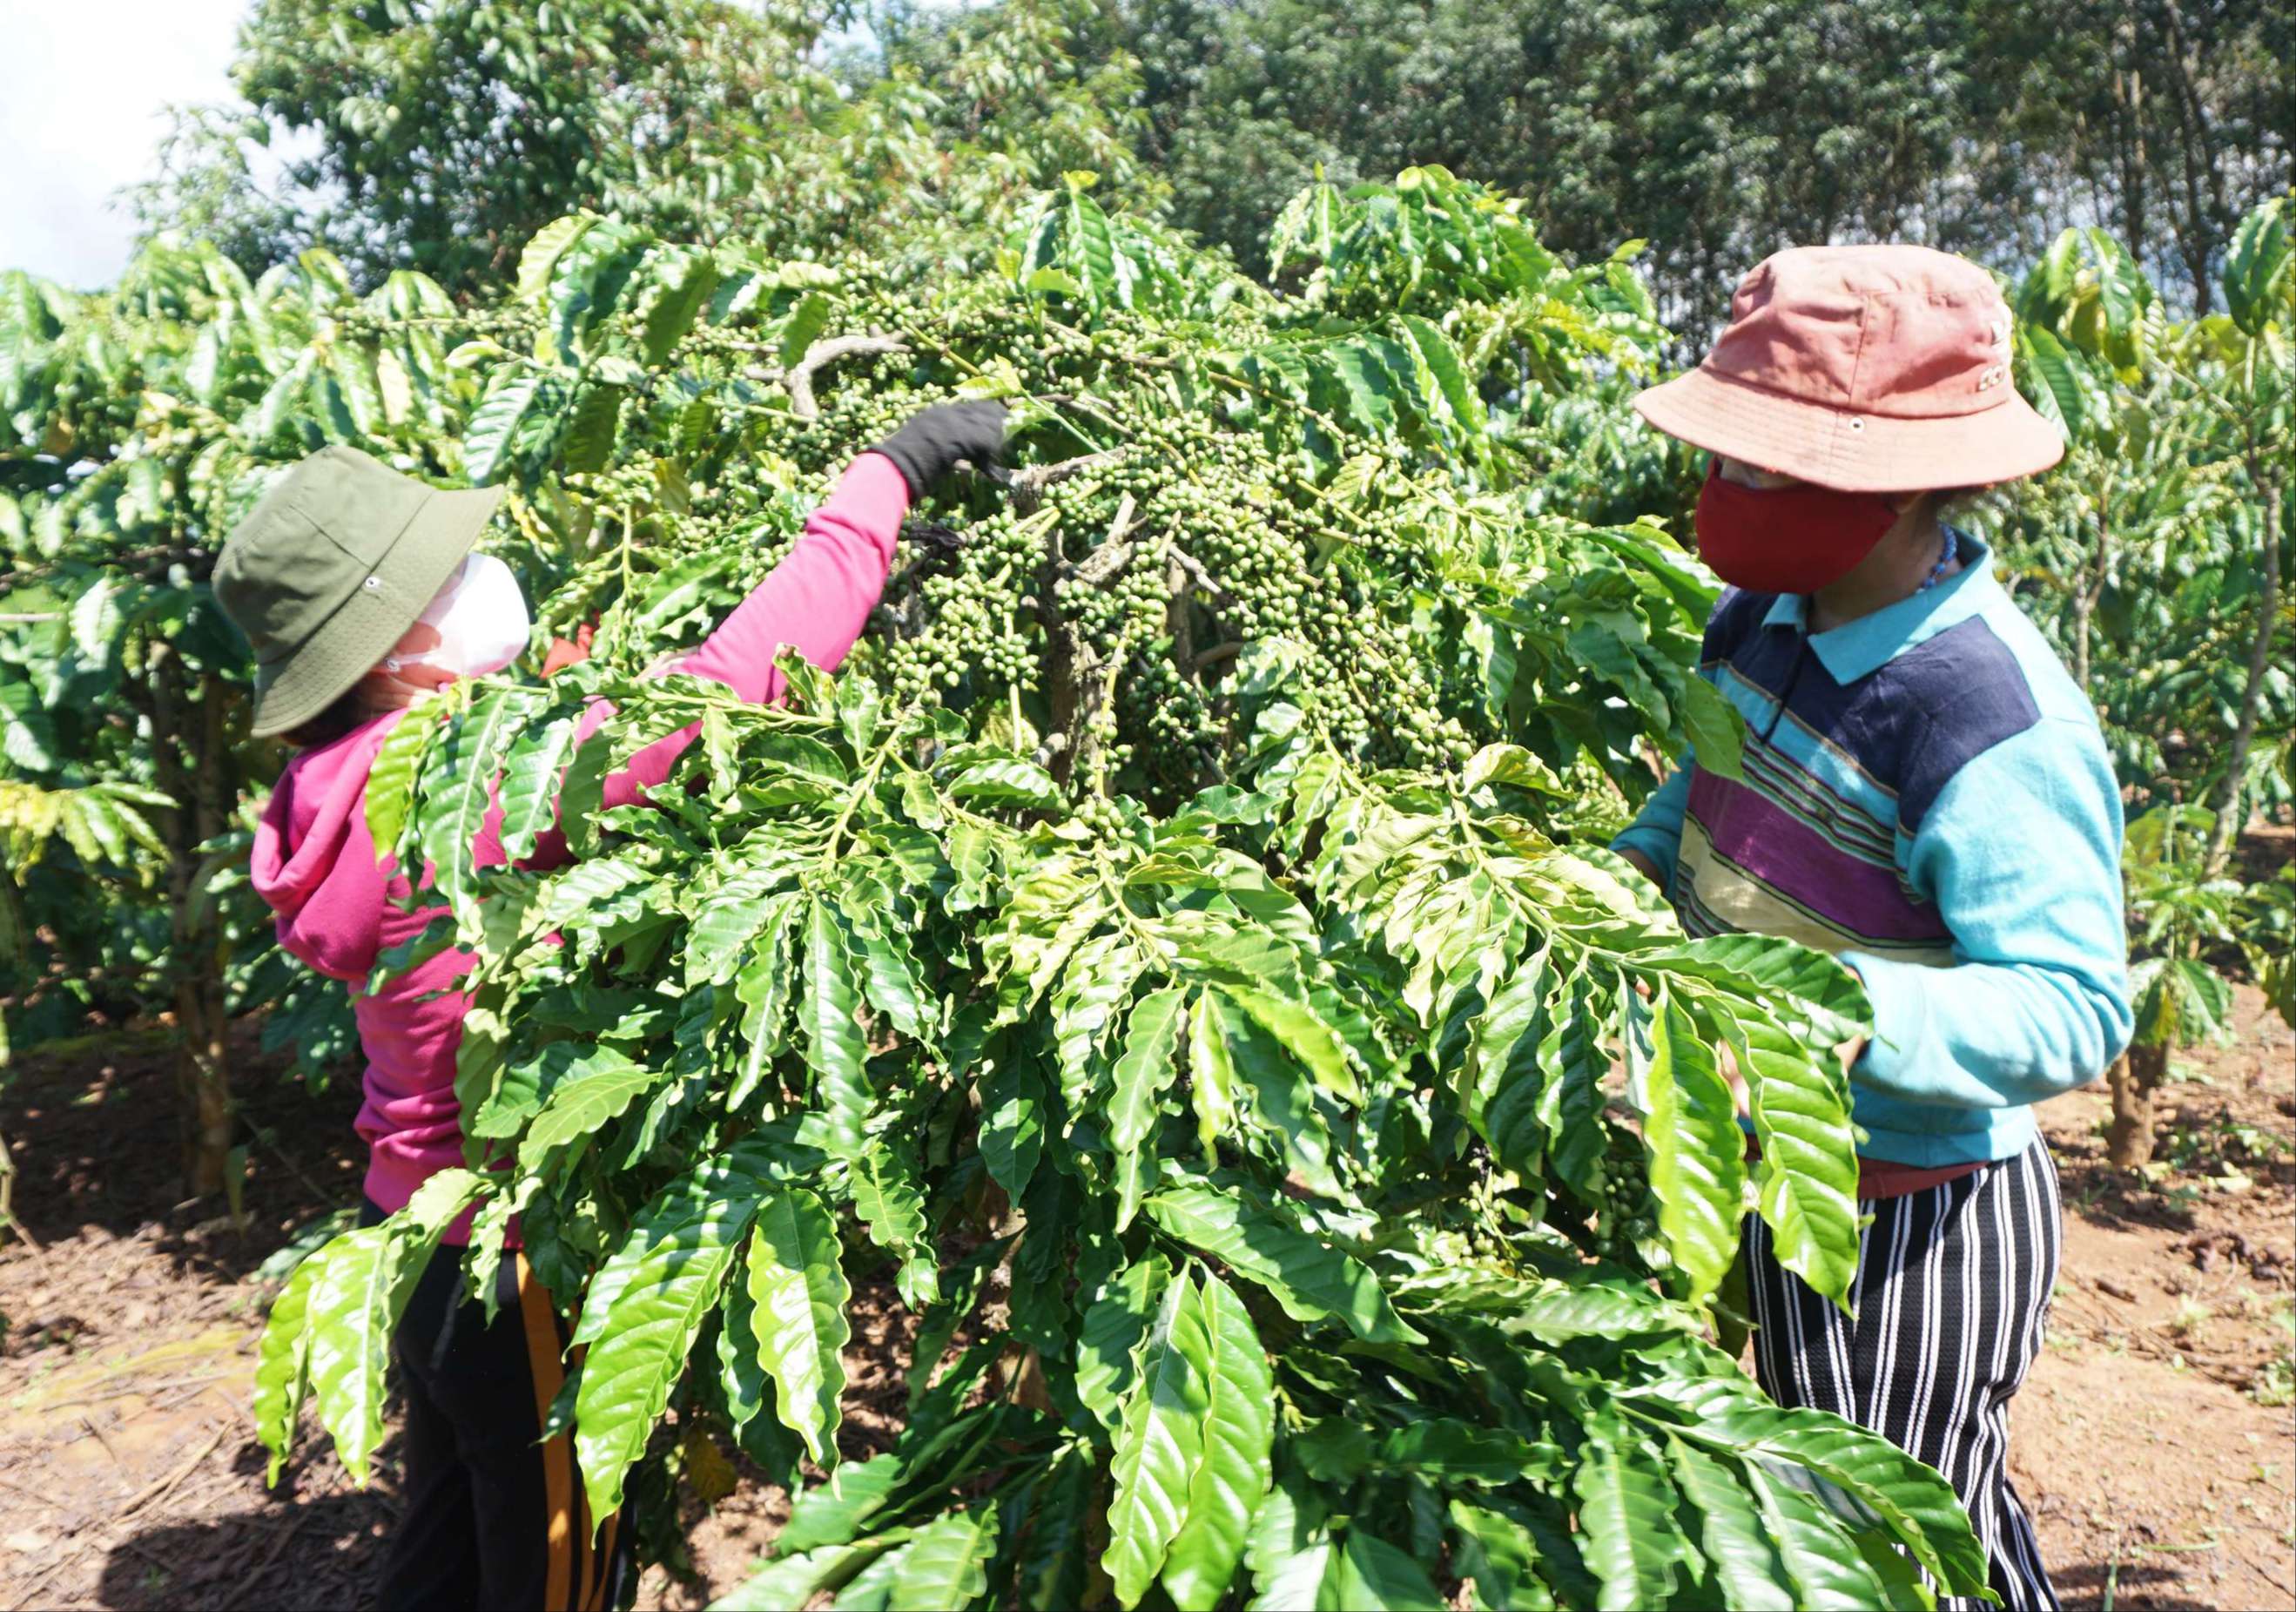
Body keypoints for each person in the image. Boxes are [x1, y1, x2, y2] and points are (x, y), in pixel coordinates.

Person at [216, 401, 1007, 1611]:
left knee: (443, 1553)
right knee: (557, 1578)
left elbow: (562, 735)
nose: (482, 579)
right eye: (447, 576)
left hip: (414, 1236)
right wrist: (882, 485)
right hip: (511, 1257)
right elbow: (724, 688)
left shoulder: (332, 786)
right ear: (390, 655)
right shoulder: (459, 784)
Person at [1612, 246, 2131, 1612]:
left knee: (1905, 1539)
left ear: (1901, 484)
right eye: (1731, 460)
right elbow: (1705, 791)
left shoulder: (1986, 714)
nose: (1730, 494)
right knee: (1822, 1505)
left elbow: (2070, 1004)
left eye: (1771, 469)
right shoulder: (1760, 617)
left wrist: (1824, 1011)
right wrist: (1612, 887)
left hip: (1920, 1216)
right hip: (1784, 1173)